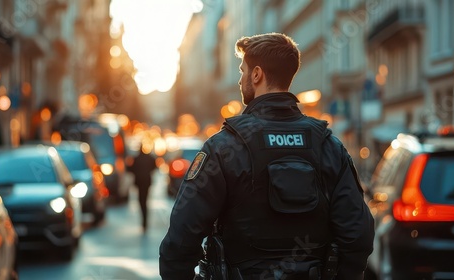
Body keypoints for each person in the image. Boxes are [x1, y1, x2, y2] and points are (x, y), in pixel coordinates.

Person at [159, 33, 374, 280]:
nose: (241, 80)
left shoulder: (224, 147)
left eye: (243, 71)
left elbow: (180, 239)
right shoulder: (328, 146)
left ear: (257, 74)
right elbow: (358, 235)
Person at [128, 145, 157, 231]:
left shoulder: (136, 158)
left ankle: (144, 221)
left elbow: (130, 169)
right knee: (144, 200)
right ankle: (145, 221)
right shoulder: (149, 158)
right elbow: (155, 166)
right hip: (146, 182)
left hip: (140, 182)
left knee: (142, 201)